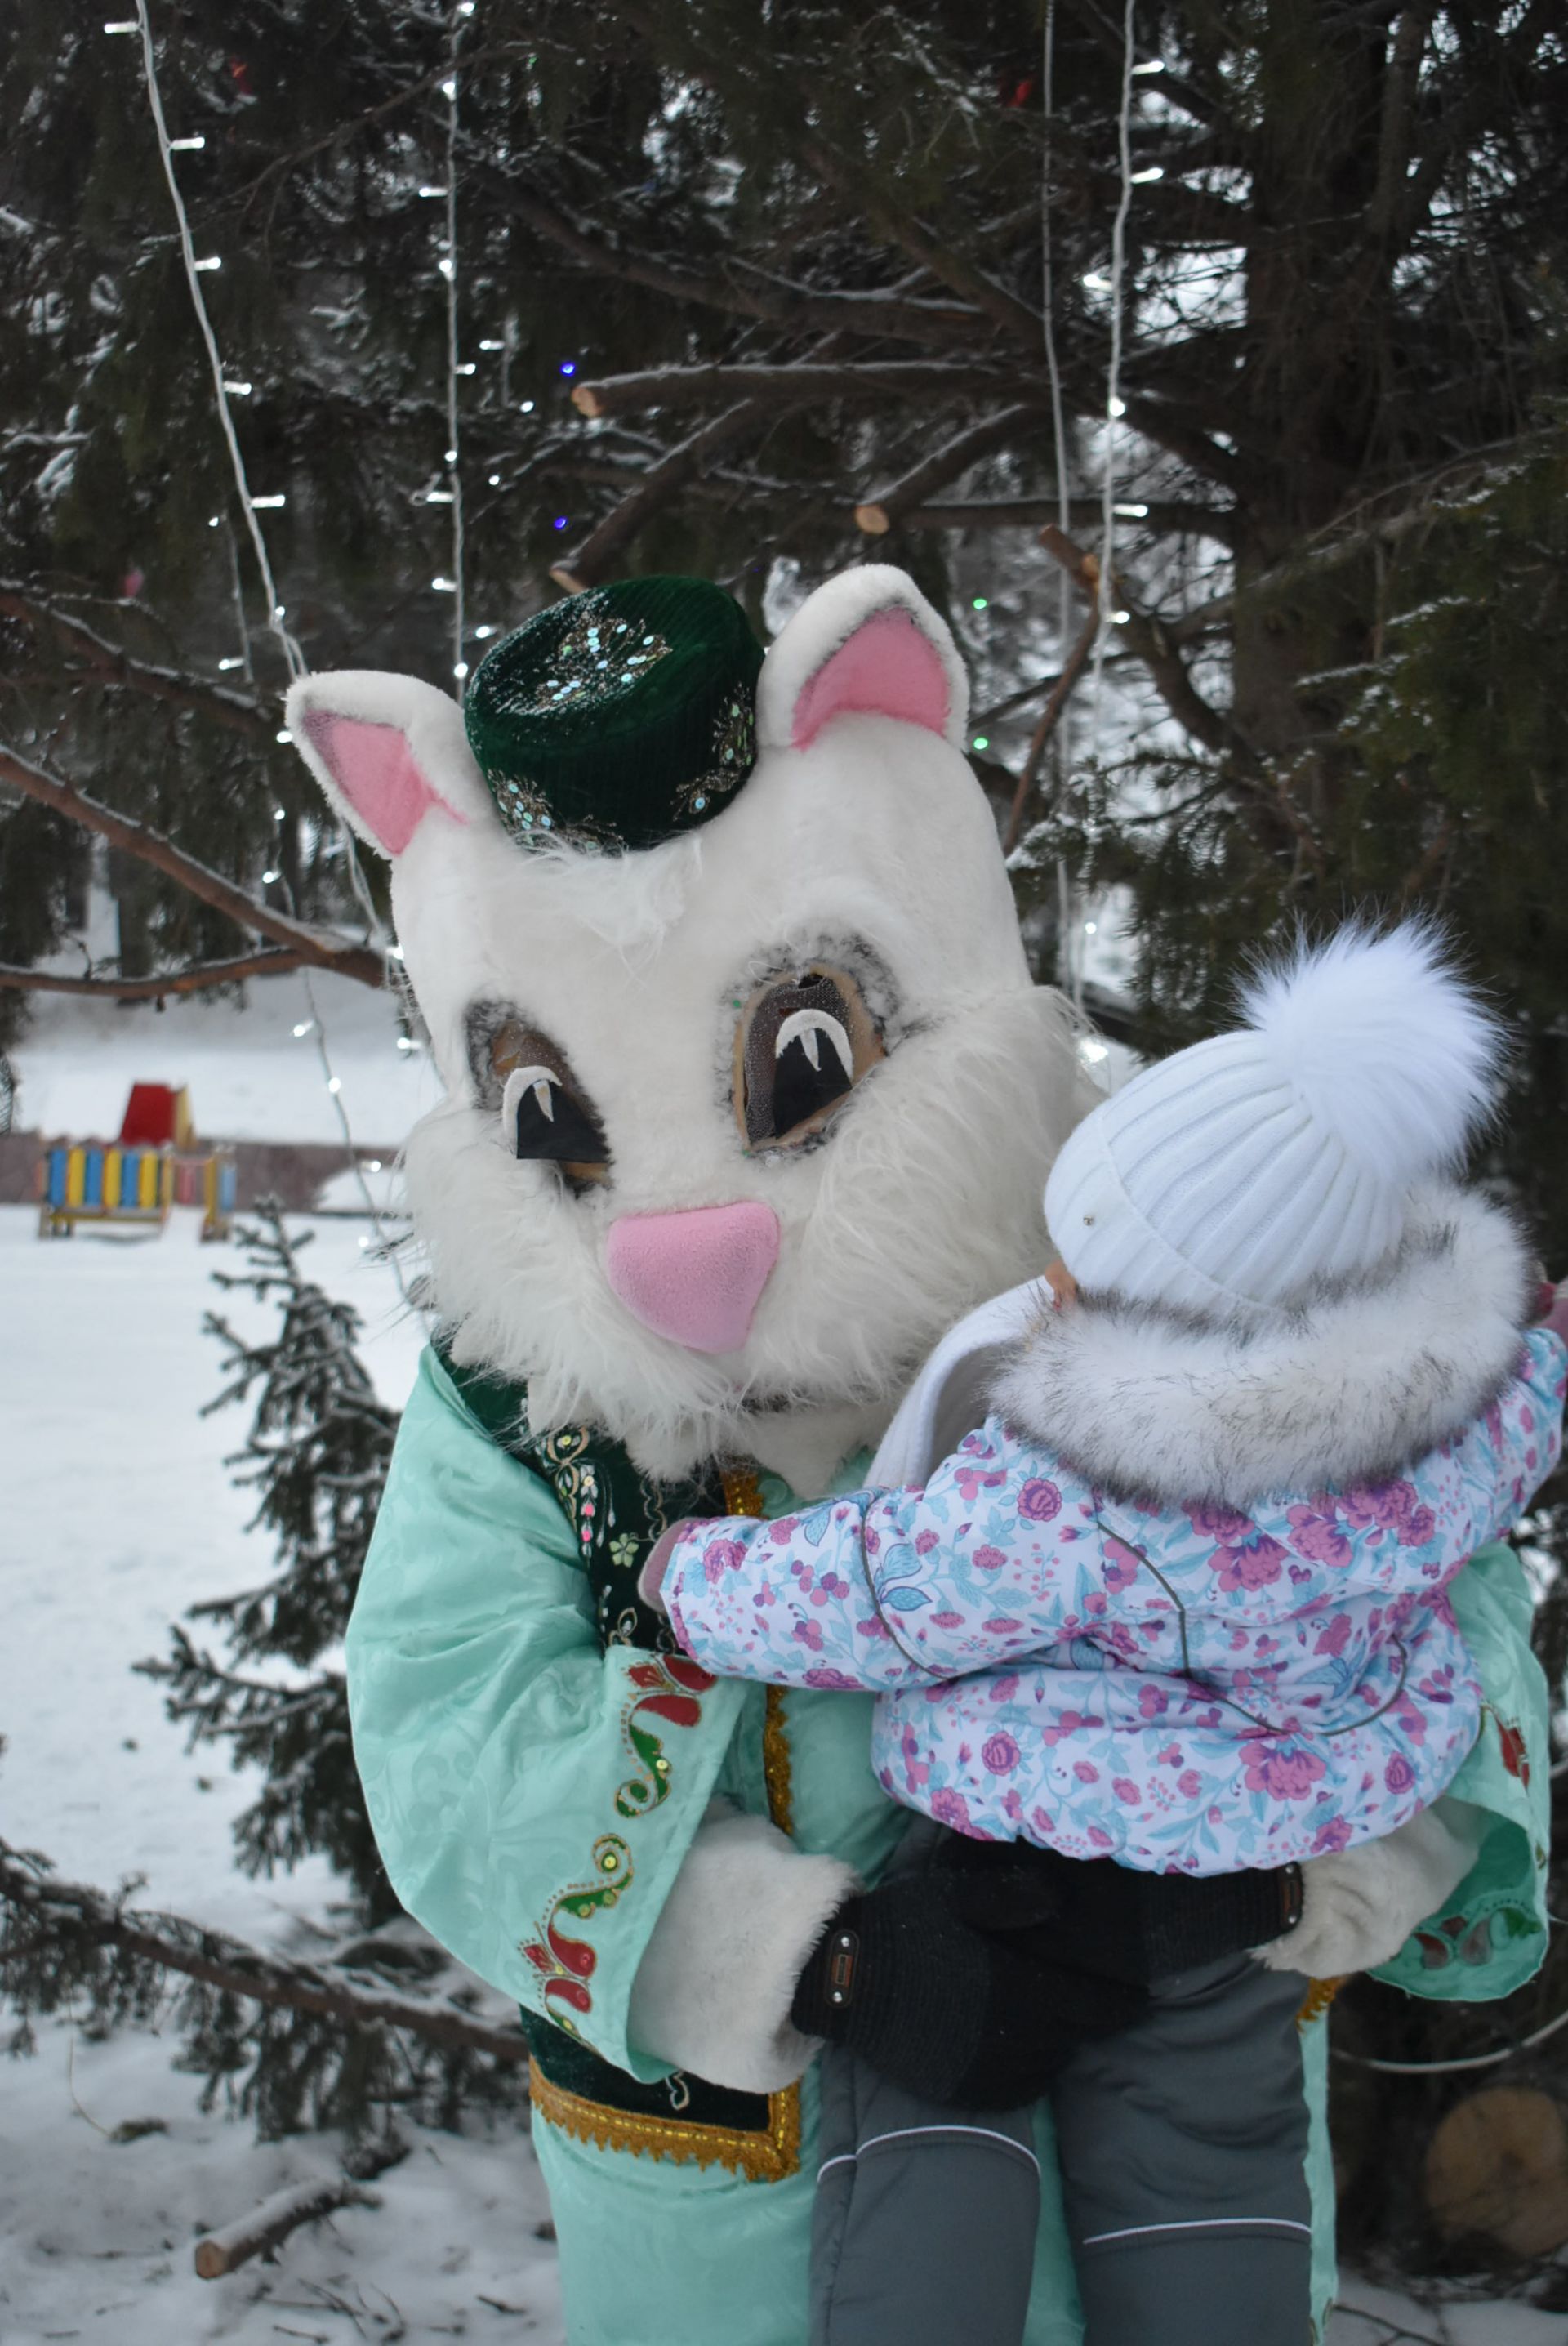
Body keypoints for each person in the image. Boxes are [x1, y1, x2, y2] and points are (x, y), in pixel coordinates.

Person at [287, 570, 1555, 2346]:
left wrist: (1284, 1882)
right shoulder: (523, 1395)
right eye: (555, 1123)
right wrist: (809, 1954)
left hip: (1179, 2165)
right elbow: (447, 1728)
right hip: (737, 2221)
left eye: (801, 1060)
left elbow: (1437, 1594)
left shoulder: (1187, 1269)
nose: (681, 1247)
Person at [642, 924, 1568, 2346]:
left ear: (1177, 1322)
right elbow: (1529, 1390)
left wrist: (693, 1579)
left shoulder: (1090, 1482)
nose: (1050, 1290)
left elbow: (886, 1589)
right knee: (1214, 2166)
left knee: (935, 2122)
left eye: (1081, 1270)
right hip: (1260, 1870)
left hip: (1029, 1836)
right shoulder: (1457, 1422)